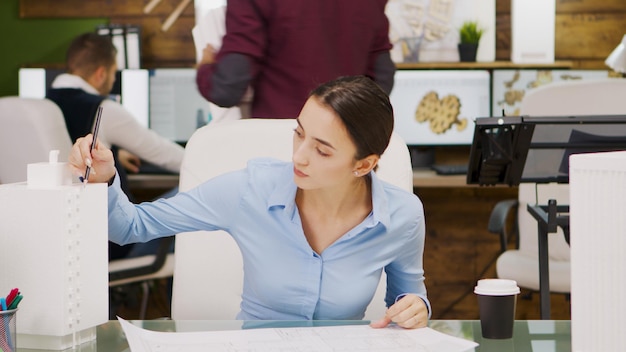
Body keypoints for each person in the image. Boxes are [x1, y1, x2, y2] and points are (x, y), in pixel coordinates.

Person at [69, 75, 429, 327]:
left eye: (321, 150)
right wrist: (105, 179)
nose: (299, 157)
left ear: (364, 165)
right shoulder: (250, 189)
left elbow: (408, 296)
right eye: (299, 135)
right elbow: (130, 227)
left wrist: (415, 308)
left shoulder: (402, 215)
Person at [47, 32, 185, 260]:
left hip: (59, 239)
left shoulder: (40, 105)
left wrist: (114, 157)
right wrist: (205, 160)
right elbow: (162, 153)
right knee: (191, 189)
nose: (113, 80)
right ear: (101, 74)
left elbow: (63, 157)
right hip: (112, 242)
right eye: (113, 74)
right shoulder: (102, 109)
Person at [196, 0, 396, 119]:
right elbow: (381, 80)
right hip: (345, 149)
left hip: (281, 146)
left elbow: (226, 88)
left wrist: (206, 66)